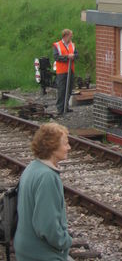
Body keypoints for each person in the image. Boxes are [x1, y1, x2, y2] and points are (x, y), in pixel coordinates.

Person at [13, 122, 73, 261]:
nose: (69, 147)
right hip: (41, 254)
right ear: (52, 146)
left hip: (25, 249)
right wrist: (66, 241)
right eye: (65, 143)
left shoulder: (32, 167)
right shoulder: (47, 177)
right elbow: (47, 226)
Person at [53, 29, 78, 116]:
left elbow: (77, 55)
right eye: (70, 36)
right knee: (62, 89)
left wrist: (74, 56)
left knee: (69, 89)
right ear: (65, 36)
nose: (71, 37)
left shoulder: (72, 45)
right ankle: (60, 108)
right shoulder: (57, 45)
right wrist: (67, 57)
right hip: (61, 71)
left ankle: (65, 106)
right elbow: (56, 57)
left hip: (70, 70)